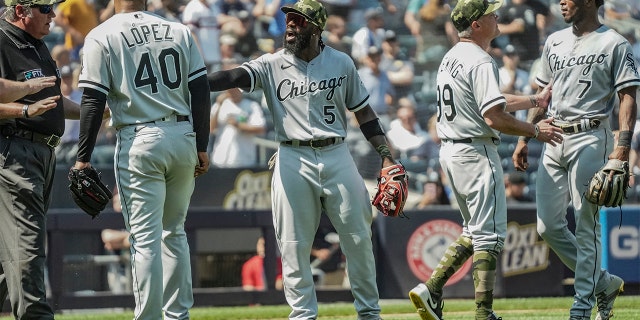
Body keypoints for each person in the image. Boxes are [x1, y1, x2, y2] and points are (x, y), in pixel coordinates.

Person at [206, 0, 399, 318]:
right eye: (289, 20)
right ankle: (302, 315)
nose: (291, 26)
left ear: (317, 28)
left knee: (358, 236)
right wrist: (194, 81)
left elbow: (364, 113)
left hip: (337, 152)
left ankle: (369, 313)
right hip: (292, 154)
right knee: (293, 243)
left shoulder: (341, 62)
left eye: (299, 21)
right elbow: (232, 77)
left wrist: (386, 156)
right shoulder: (271, 63)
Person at [407, 0, 564, 319]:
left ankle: (432, 287)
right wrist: (535, 130)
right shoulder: (479, 59)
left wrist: (533, 99)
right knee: (490, 235)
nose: (497, 16)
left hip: (452, 150)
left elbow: (491, 99)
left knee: (475, 230)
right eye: (490, 13)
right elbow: (493, 117)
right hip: (475, 151)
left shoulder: (452, 56)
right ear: (476, 25)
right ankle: (483, 313)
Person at [72, 0, 211, 318]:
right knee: (173, 232)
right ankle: (177, 315)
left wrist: (83, 158)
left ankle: (149, 317)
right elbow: (200, 89)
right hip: (183, 135)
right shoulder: (178, 29)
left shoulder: (102, 33)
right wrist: (201, 144)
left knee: (145, 238)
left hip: (140, 138)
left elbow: (93, 99)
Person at [511, 0, 640, 318]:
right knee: (547, 227)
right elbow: (543, 96)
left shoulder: (614, 42)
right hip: (553, 136)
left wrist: (622, 148)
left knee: (586, 223)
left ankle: (581, 307)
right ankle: (602, 283)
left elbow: (627, 97)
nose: (561, 2)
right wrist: (523, 137)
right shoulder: (554, 41)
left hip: (591, 135)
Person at [0, 0, 85, 318]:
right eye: (45, 8)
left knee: (8, 256)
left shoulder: (35, 44)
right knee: (27, 244)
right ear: (21, 11)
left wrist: (94, 112)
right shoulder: (2, 39)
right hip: (15, 152)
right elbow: (27, 96)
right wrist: (24, 105)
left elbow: (53, 102)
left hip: (41, 153)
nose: (54, 15)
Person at [210, 81, 267, 168]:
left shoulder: (251, 106)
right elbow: (211, 129)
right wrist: (218, 104)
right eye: (229, 91)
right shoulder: (220, 105)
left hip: (243, 159)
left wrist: (238, 125)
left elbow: (260, 129)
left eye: (235, 90)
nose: (232, 93)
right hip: (220, 158)